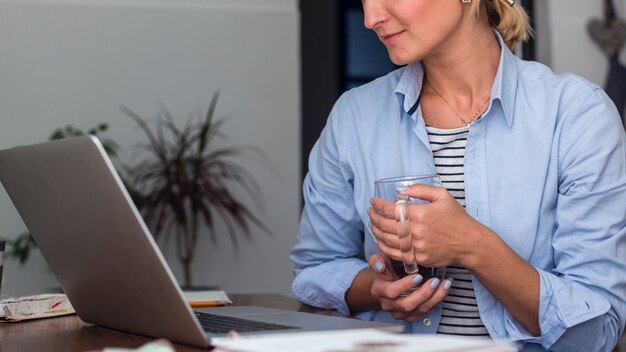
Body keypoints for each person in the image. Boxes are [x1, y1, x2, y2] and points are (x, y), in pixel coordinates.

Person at [290, 0, 626, 351]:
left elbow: (598, 331)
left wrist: (472, 245)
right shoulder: (353, 118)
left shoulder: (576, 116)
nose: (371, 18)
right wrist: (375, 288)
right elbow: (315, 270)